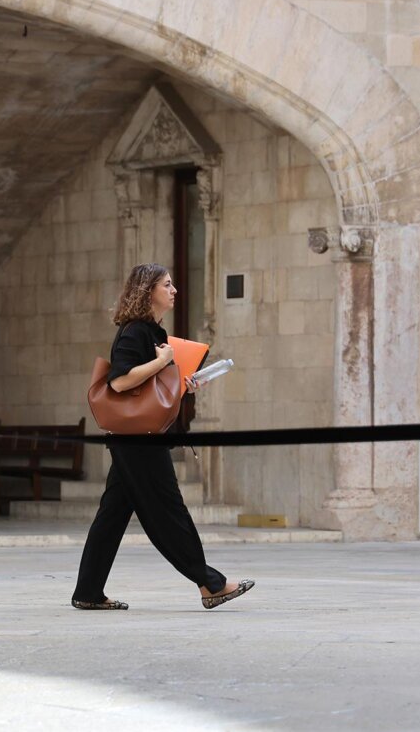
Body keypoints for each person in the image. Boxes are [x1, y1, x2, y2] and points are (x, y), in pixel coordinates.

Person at [72, 262, 255, 611]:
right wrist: (162, 364)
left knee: (111, 516)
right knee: (168, 513)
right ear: (148, 291)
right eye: (167, 285)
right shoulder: (135, 331)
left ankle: (88, 591)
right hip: (139, 441)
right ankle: (210, 583)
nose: (174, 291)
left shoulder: (154, 331)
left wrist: (179, 383)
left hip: (137, 438)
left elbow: (150, 382)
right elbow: (120, 381)